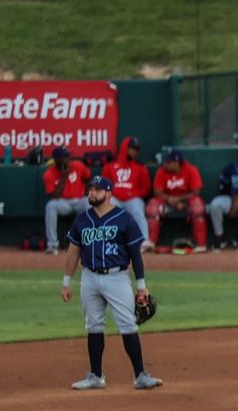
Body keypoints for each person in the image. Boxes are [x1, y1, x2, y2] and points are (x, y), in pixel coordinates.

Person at [60, 176, 163, 391]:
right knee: (93, 326)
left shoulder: (124, 218)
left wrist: (141, 285)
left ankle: (140, 375)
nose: (92, 193)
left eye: (97, 190)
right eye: (90, 189)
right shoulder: (82, 220)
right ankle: (96, 376)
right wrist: (66, 281)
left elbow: (135, 254)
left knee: (127, 324)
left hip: (117, 277)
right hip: (89, 276)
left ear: (109, 193)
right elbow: (73, 252)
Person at [101, 136, 154, 252]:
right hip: (114, 197)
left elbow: (145, 189)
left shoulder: (140, 167)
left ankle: (144, 240)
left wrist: (131, 193)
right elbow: (103, 186)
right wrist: (115, 193)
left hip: (132, 198)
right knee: (107, 207)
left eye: (137, 149)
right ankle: (108, 242)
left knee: (137, 209)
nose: (135, 152)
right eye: (132, 148)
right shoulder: (110, 166)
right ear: (125, 148)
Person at [147, 149, 206, 252]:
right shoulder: (162, 171)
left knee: (198, 207)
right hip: (167, 201)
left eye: (168, 162)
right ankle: (151, 243)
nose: (165, 164)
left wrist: (179, 200)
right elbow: (157, 192)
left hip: (186, 202)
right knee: (152, 207)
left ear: (176, 163)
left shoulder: (191, 170)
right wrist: (170, 199)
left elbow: (196, 191)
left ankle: (201, 245)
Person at [43, 145, 93, 255]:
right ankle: (52, 245)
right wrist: (64, 176)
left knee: (89, 202)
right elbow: (55, 196)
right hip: (63, 203)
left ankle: (89, 243)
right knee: (50, 205)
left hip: (79, 200)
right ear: (56, 159)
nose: (67, 159)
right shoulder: (49, 173)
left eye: (68, 156)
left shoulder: (78, 166)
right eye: (65, 157)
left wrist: (87, 191)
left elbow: (90, 178)